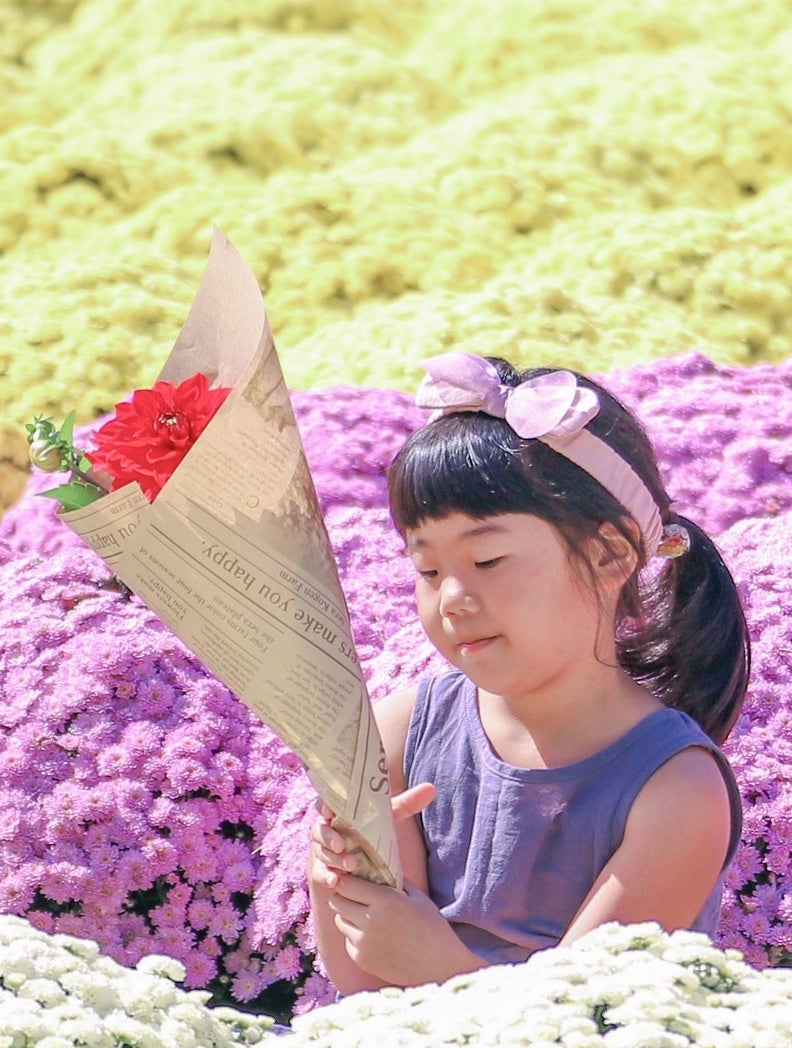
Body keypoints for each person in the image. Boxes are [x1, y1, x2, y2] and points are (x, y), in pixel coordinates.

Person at [309, 354, 749, 994]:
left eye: (488, 559)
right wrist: (339, 881)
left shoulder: (676, 789)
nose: (452, 597)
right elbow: (364, 988)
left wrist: (442, 969)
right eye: (428, 570)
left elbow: (577, 1025)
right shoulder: (398, 733)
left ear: (609, 555)